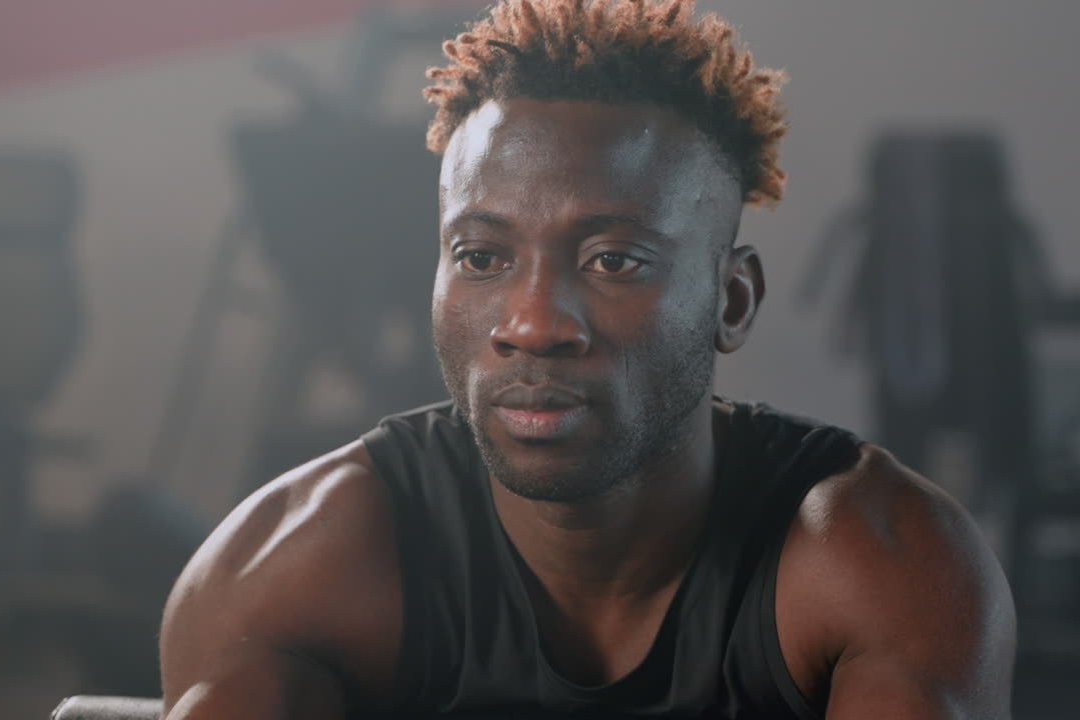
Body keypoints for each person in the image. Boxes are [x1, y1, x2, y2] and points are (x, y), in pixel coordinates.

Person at [158, 1, 1016, 718]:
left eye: (614, 260)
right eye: (482, 259)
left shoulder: (871, 564)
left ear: (733, 300)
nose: (533, 324)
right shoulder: (301, 572)